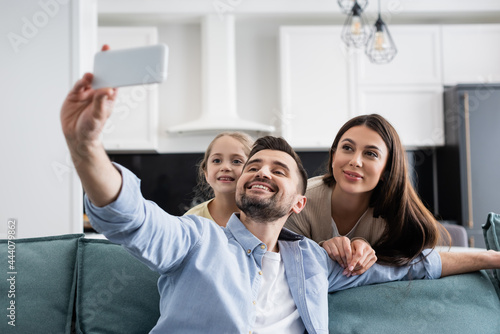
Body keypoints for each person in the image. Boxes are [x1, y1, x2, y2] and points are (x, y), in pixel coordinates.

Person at [61, 72, 500, 333]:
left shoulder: (314, 261)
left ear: (298, 203)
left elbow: (417, 264)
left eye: (279, 169)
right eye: (253, 166)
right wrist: (86, 146)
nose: (261, 172)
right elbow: (132, 219)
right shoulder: (196, 240)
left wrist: (494, 258)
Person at [285, 114, 450, 275]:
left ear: (386, 169)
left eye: (371, 154)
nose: (355, 161)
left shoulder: (394, 215)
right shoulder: (297, 201)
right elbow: (283, 266)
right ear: (334, 156)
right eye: (347, 148)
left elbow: (417, 263)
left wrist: (373, 251)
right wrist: (320, 250)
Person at [184, 131, 254, 226]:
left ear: (253, 170)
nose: (225, 167)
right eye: (216, 160)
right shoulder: (191, 221)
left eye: (237, 161)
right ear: (206, 173)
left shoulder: (265, 218)